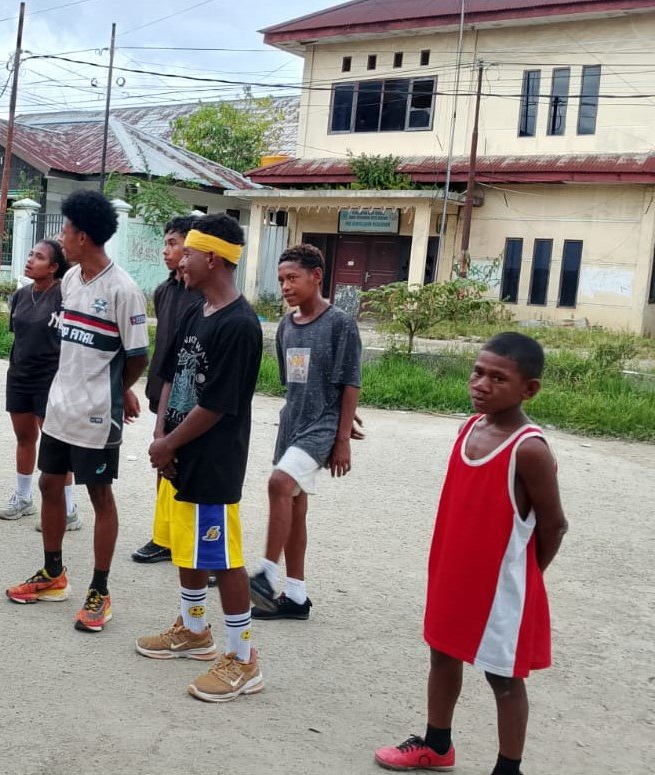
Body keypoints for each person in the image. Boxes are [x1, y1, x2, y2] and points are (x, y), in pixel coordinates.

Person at [374, 333, 567, 775]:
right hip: (452, 574)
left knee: (503, 679)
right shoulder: (470, 428)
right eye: (477, 372)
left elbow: (554, 524)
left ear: (529, 389)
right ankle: (437, 744)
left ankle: (508, 768)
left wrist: (527, 576)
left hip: (500, 589)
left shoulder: (529, 449)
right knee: (442, 653)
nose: (480, 384)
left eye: (498, 378)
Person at [133, 214, 265, 702]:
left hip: (212, 459)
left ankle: (244, 658)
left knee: (221, 557)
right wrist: (161, 432)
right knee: (186, 545)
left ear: (211, 257)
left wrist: (171, 444)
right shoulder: (196, 309)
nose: (179, 260)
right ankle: (194, 630)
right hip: (178, 450)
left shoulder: (240, 324)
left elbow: (217, 405)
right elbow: (170, 376)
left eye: (187, 252)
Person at [5, 188, 148, 633]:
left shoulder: (124, 290)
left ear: (83, 236)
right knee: (50, 483)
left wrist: (116, 390)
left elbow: (138, 355)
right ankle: (53, 574)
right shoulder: (69, 281)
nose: (60, 238)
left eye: (65, 230)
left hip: (95, 415)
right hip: (60, 406)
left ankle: (100, 591)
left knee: (99, 496)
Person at [249, 243, 363, 620]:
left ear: (316, 277)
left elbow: (349, 384)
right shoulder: (285, 326)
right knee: (295, 508)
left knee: (279, 483)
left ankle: (266, 573)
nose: (285, 286)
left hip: (323, 425)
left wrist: (342, 436)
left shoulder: (340, 324)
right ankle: (296, 596)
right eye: (281, 279)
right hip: (292, 422)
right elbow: (294, 382)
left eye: (292, 278)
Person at [132, 214, 202, 564]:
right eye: (166, 243)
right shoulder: (163, 292)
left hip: (196, 398)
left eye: (174, 243)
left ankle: (197, 546)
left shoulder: (204, 295)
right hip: (164, 391)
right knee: (164, 460)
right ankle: (165, 536)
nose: (166, 250)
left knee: (193, 471)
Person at [0, 238, 80, 530]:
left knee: (56, 445)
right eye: (30, 253)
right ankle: (23, 498)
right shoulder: (20, 296)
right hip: (19, 376)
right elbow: (18, 337)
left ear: (55, 267)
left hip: (52, 378)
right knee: (24, 438)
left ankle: (68, 509)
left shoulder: (65, 294)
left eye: (40, 257)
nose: (30, 259)